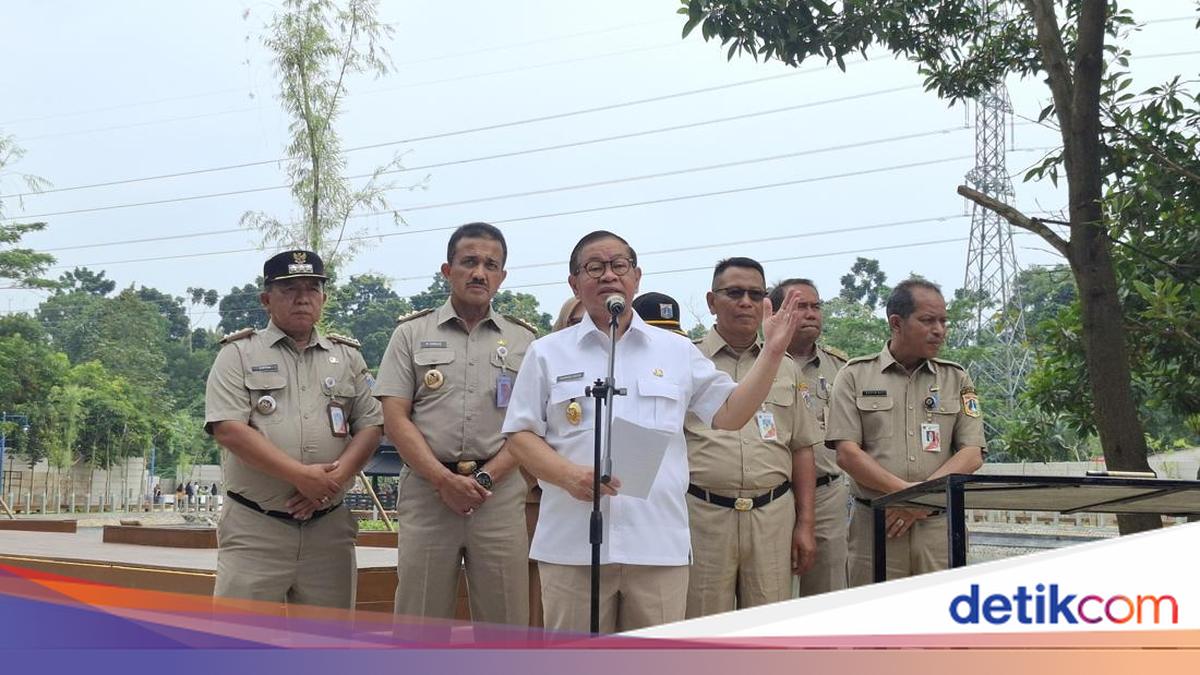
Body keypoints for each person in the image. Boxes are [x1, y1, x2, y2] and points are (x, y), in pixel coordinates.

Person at [502, 230, 808, 633]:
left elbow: (731, 413)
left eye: (619, 266)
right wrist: (568, 476)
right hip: (573, 543)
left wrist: (770, 354)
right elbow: (520, 435)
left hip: (657, 543)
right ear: (575, 283)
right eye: (595, 267)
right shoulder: (547, 352)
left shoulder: (676, 351)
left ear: (637, 277)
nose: (609, 275)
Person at [374, 222, 537, 625]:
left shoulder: (525, 341)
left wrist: (483, 482)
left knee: (505, 624)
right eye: (469, 262)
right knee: (420, 620)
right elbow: (395, 417)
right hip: (428, 494)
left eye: (490, 264)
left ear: (502, 276)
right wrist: (442, 481)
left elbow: (529, 423)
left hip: (497, 497)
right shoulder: (410, 334)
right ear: (447, 270)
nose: (479, 273)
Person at [204, 249, 383, 608]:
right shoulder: (238, 355)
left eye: (312, 288)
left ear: (324, 298)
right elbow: (229, 429)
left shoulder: (347, 357)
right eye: (289, 289)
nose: (302, 297)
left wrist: (330, 483)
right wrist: (301, 476)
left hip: (327, 530)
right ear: (266, 299)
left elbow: (372, 425)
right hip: (256, 528)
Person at [683, 260, 821, 617]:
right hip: (702, 515)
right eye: (734, 293)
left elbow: (802, 449)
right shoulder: (685, 360)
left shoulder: (786, 366)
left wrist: (805, 524)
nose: (746, 301)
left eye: (755, 294)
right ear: (712, 302)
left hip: (772, 516)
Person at [826, 278, 986, 586]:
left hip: (939, 527)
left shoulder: (956, 377)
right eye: (927, 320)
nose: (939, 329)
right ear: (896, 323)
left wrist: (918, 501)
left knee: (940, 622)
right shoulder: (855, 376)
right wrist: (907, 496)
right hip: (876, 525)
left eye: (943, 320)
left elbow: (971, 453)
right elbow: (847, 453)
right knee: (875, 623)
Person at [768, 278, 850, 596]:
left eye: (816, 306)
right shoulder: (757, 364)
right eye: (800, 306)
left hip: (827, 495)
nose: (811, 313)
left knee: (827, 594)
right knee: (768, 594)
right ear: (774, 312)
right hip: (772, 496)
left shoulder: (842, 369)